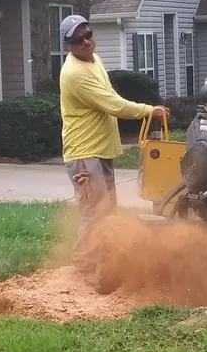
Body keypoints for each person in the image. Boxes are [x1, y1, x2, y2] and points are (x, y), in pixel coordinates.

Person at [57, 14, 167, 272]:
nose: (86, 41)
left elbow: (110, 96)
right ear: (68, 45)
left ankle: (103, 264)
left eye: (88, 34)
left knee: (107, 213)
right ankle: (83, 268)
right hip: (84, 154)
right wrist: (149, 110)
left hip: (99, 150)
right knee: (95, 213)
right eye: (78, 39)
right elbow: (113, 104)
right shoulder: (74, 73)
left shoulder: (94, 60)